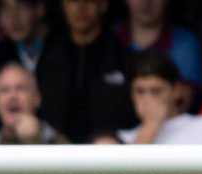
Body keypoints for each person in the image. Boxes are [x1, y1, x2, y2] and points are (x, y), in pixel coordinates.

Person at [34, 0, 136, 142]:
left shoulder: (123, 58)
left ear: (103, 5)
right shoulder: (49, 59)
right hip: (57, 154)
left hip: (109, 153)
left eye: (89, 1)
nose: (81, 7)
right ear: (63, 5)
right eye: (73, 1)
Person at [120, 51, 202, 144]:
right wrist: (150, 126)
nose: (148, 98)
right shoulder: (124, 138)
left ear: (176, 90)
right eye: (140, 91)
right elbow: (130, 164)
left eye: (156, 90)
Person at [0, 62, 59, 143]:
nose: (12, 96)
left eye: (20, 88)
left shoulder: (59, 145)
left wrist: (32, 140)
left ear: (37, 98)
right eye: (5, 90)